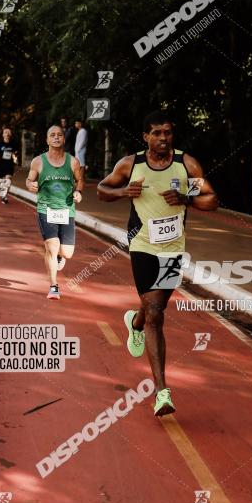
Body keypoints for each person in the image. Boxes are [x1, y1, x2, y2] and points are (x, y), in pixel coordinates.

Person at [97, 111, 218, 416]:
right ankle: (162, 392)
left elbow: (211, 199)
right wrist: (124, 192)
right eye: (156, 133)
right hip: (142, 245)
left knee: (155, 308)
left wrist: (186, 198)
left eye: (168, 133)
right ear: (145, 137)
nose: (163, 138)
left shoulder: (186, 165)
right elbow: (101, 190)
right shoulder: (131, 164)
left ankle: (133, 322)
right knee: (156, 314)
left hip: (173, 249)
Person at [26, 124, 84, 300]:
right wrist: (31, 185)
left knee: (67, 252)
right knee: (51, 246)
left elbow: (79, 181)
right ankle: (53, 286)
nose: (56, 137)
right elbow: (29, 180)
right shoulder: (38, 161)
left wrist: (78, 192)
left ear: (64, 139)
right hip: (46, 209)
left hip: (67, 209)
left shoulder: (73, 161)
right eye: (53, 135)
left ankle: (60, 256)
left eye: (59, 135)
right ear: (47, 139)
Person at [0, 127, 19, 204]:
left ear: (10, 134)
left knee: (8, 179)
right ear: (3, 134)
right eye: (5, 132)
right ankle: (1, 192)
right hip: (0, 164)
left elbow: (15, 153)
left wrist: (15, 158)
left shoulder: (13, 144)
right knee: (0, 182)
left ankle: (4, 196)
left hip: (9, 164)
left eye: (8, 132)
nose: (7, 134)